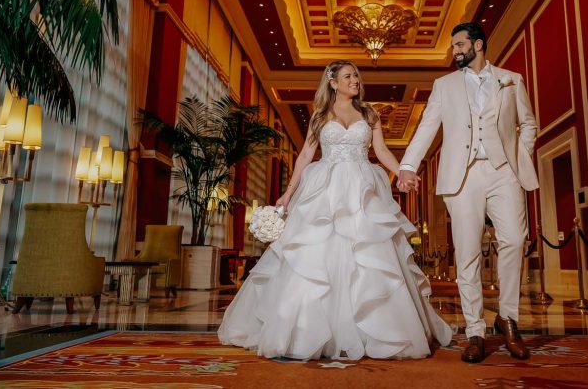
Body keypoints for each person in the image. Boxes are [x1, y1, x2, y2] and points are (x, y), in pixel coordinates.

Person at [218, 60, 452, 360]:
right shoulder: (319, 115)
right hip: (324, 188)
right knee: (314, 254)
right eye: (348, 76)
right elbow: (305, 155)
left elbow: (380, 152)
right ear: (333, 83)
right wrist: (288, 194)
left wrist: (403, 171)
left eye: (356, 75)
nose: (355, 80)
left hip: (360, 188)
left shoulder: (369, 113)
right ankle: (304, 332)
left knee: (366, 254)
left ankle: (374, 330)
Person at [398, 22, 538, 363]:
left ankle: (508, 318)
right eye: (453, 46)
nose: (454, 51)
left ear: (478, 44)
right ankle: (475, 331)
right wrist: (408, 165)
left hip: (504, 171)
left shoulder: (511, 79)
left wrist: (519, 156)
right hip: (462, 176)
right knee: (468, 253)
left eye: (459, 44)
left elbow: (528, 123)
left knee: (515, 241)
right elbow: (428, 124)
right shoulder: (444, 85)